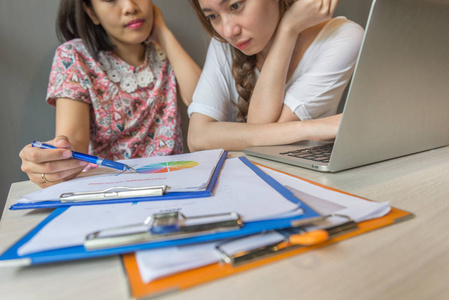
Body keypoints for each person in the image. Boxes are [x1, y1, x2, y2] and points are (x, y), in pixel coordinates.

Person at [19, 0, 201, 187]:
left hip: (174, 182)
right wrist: (58, 157)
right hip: (110, 190)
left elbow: (203, 103)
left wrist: (162, 32)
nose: (130, 7)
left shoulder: (164, 51)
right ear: (91, 12)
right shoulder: (74, 56)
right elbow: (74, 138)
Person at [187, 0, 364, 151]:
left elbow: (259, 130)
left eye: (235, 6)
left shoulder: (342, 37)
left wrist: (288, 28)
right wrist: (312, 128)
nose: (228, 32)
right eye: (212, 16)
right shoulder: (223, 45)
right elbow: (196, 138)